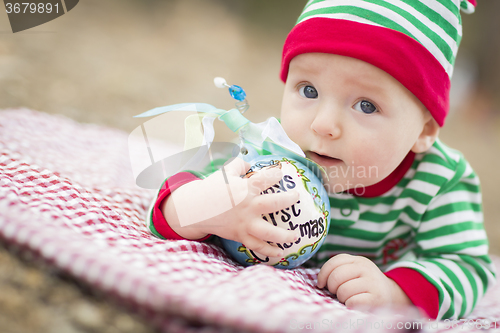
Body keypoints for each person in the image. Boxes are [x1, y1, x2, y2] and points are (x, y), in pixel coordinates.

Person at [146, 0, 495, 320]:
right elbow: (172, 200)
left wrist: (396, 292)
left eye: (366, 105)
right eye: (309, 91)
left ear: (424, 130)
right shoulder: (273, 152)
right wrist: (204, 207)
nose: (323, 124)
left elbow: (467, 265)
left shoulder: (438, 180)